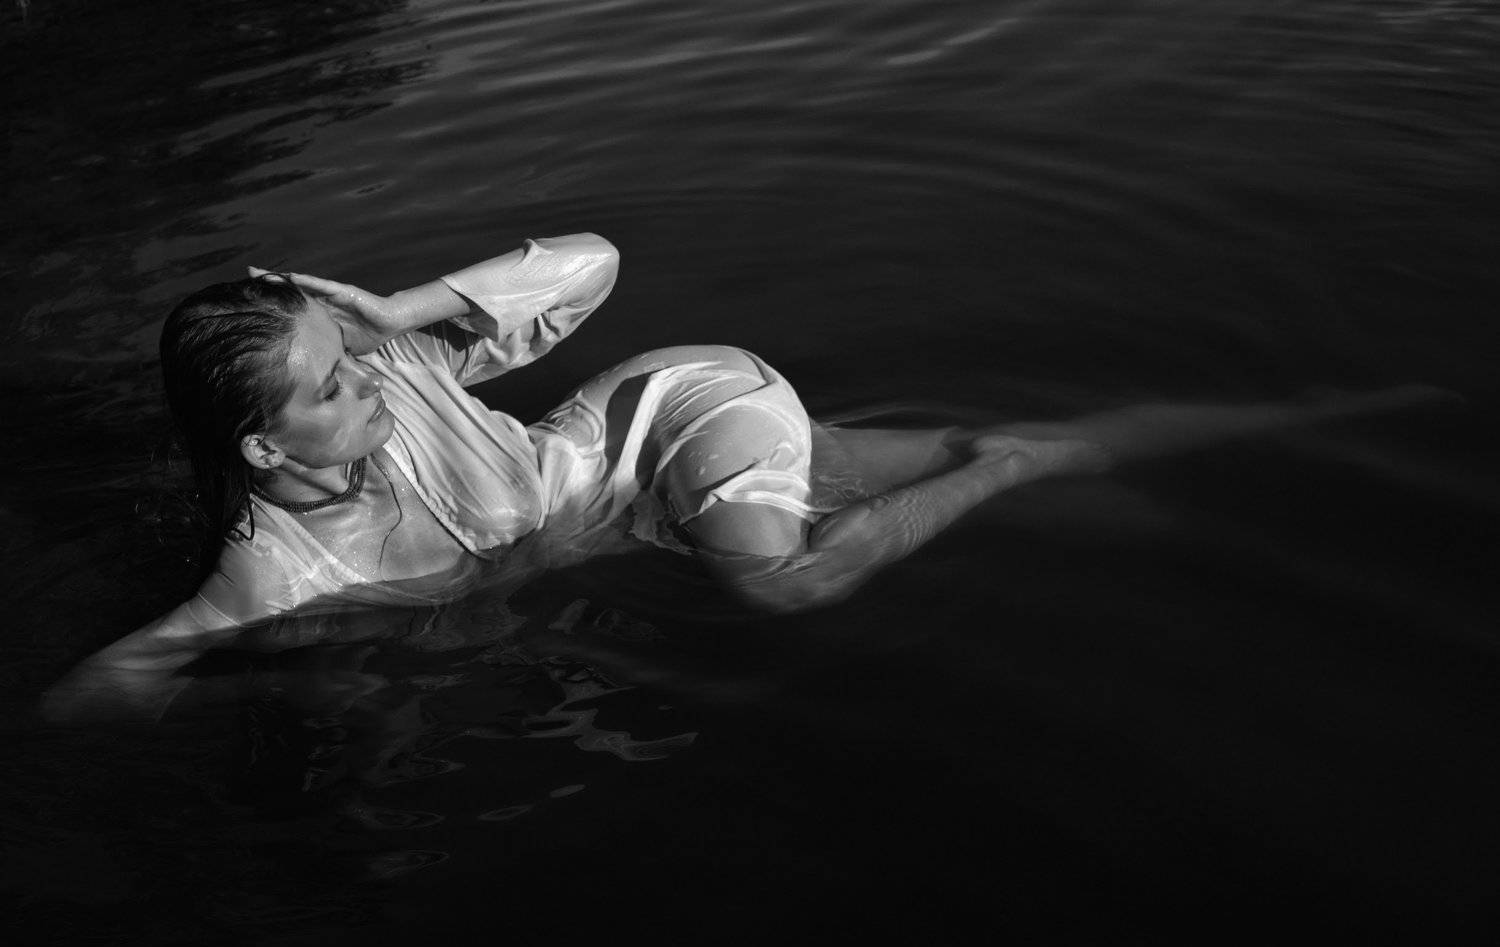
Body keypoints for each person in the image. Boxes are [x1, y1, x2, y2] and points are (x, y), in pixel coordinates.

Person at [40, 233, 1448, 725]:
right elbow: (142, 659)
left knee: (785, 586)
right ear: (263, 451)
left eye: (356, 359)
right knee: (1084, 486)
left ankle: (1008, 467)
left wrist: (404, 313)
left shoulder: (396, 371)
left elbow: (590, 263)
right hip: (657, 507)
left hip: (670, 418)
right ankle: (1338, 411)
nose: (367, 380)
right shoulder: (279, 567)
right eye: (332, 386)